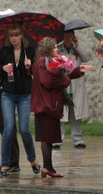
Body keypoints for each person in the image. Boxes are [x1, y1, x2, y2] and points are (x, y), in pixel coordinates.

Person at [31, 36, 93, 178]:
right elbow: (49, 81)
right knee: (47, 137)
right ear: (47, 49)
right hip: (46, 105)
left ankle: (48, 167)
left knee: (49, 137)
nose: (57, 49)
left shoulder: (49, 62)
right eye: (54, 47)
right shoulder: (42, 62)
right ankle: (48, 167)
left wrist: (78, 70)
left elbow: (62, 75)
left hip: (49, 105)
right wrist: (65, 80)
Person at [0, 23, 40, 176]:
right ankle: (5, 164)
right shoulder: (5, 51)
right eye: (11, 35)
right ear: (9, 37)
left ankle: (33, 160)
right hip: (8, 94)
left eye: (16, 35)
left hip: (25, 94)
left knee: (24, 129)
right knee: (8, 129)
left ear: (21, 36)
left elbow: (38, 70)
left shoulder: (30, 51)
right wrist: (3, 69)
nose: (14, 38)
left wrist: (30, 66)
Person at [57, 27, 92, 148]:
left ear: (73, 37)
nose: (68, 39)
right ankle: (57, 140)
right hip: (63, 84)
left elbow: (87, 57)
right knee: (61, 114)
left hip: (76, 86)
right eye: (66, 36)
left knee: (75, 114)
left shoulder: (76, 49)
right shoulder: (59, 49)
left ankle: (78, 140)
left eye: (70, 36)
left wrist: (78, 45)